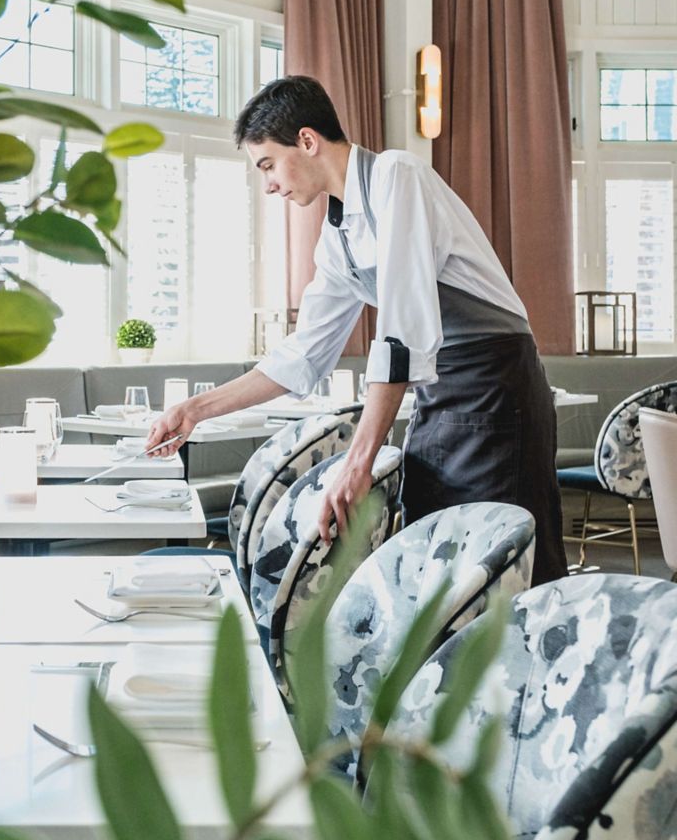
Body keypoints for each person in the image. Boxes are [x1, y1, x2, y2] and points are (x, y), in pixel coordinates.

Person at [146, 75, 567, 586]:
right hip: (439, 396)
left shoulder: (397, 176)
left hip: (497, 388)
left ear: (307, 140)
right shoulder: (337, 238)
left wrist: (359, 459)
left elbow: (403, 329)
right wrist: (195, 410)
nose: (269, 185)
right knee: (435, 567)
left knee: (504, 568)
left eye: (268, 165)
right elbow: (303, 355)